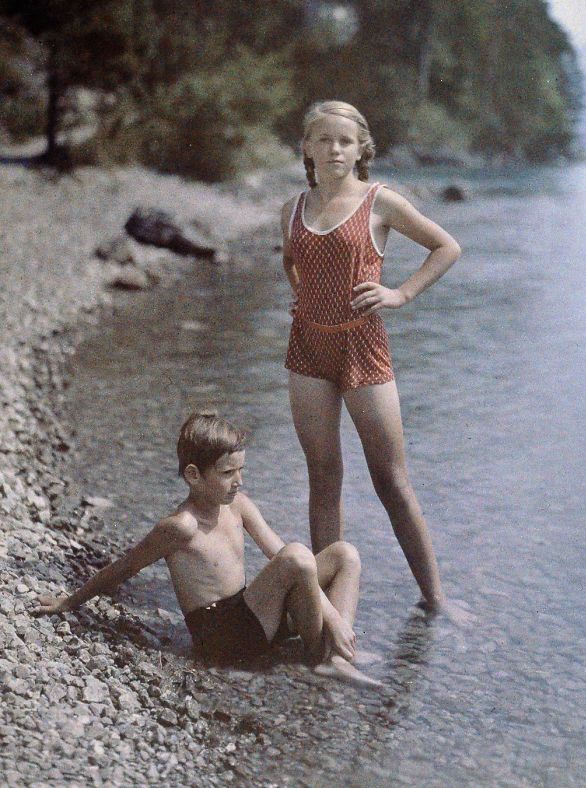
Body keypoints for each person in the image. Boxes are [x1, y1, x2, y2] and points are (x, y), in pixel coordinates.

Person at [281, 100, 471, 624]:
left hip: (364, 347)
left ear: (361, 148)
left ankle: (436, 600)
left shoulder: (380, 202)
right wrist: (304, 298)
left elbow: (446, 247)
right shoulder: (293, 207)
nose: (334, 149)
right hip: (307, 350)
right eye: (323, 139)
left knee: (391, 480)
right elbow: (291, 262)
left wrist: (401, 294)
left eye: (344, 140)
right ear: (307, 147)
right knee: (324, 477)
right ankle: (323, 610)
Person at [34, 410, 379, 687]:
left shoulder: (238, 504)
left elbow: (279, 553)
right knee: (299, 556)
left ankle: (337, 654)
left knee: (344, 554)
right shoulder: (180, 527)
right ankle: (323, 656)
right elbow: (124, 567)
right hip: (224, 638)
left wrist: (330, 615)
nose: (239, 481)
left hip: (252, 617)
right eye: (228, 472)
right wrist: (69, 602)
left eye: (241, 470)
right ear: (194, 475)